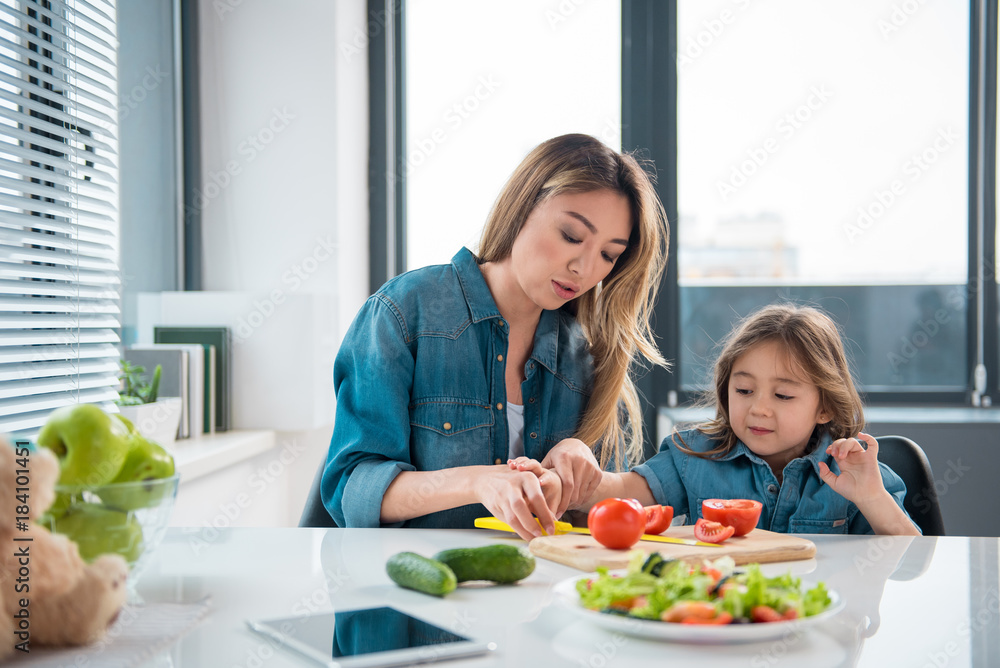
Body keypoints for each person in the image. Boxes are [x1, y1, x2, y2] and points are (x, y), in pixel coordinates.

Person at [321, 133, 669, 540]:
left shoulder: (582, 358)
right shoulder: (405, 312)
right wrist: (479, 482)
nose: (584, 267)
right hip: (414, 592)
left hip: (539, 593)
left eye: (609, 254)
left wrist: (577, 474)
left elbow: (603, 522)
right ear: (522, 207)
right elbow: (351, 486)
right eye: (572, 236)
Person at [515, 303, 920, 535]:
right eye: (743, 390)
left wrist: (870, 498)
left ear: (825, 407)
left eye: (782, 395)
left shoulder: (860, 477)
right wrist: (568, 468)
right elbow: (618, 492)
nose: (759, 408)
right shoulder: (693, 457)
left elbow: (911, 562)